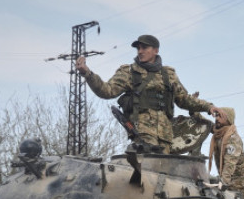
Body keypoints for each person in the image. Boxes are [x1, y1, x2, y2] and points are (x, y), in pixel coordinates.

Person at [75, 34, 214, 153]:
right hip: (142, 134)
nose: (140, 51)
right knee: (147, 171)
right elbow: (106, 91)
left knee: (163, 174)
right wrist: (87, 73)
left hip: (166, 135)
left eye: (144, 48)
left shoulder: (168, 74)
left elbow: (184, 99)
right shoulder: (128, 72)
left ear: (155, 50)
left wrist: (209, 107)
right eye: (138, 48)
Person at [208, 106, 244, 197]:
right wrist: (195, 112)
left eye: (220, 116)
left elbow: (230, 163)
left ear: (228, 120)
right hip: (227, 184)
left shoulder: (233, 139)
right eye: (216, 116)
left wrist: (223, 182)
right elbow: (205, 124)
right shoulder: (219, 133)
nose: (217, 119)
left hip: (239, 187)